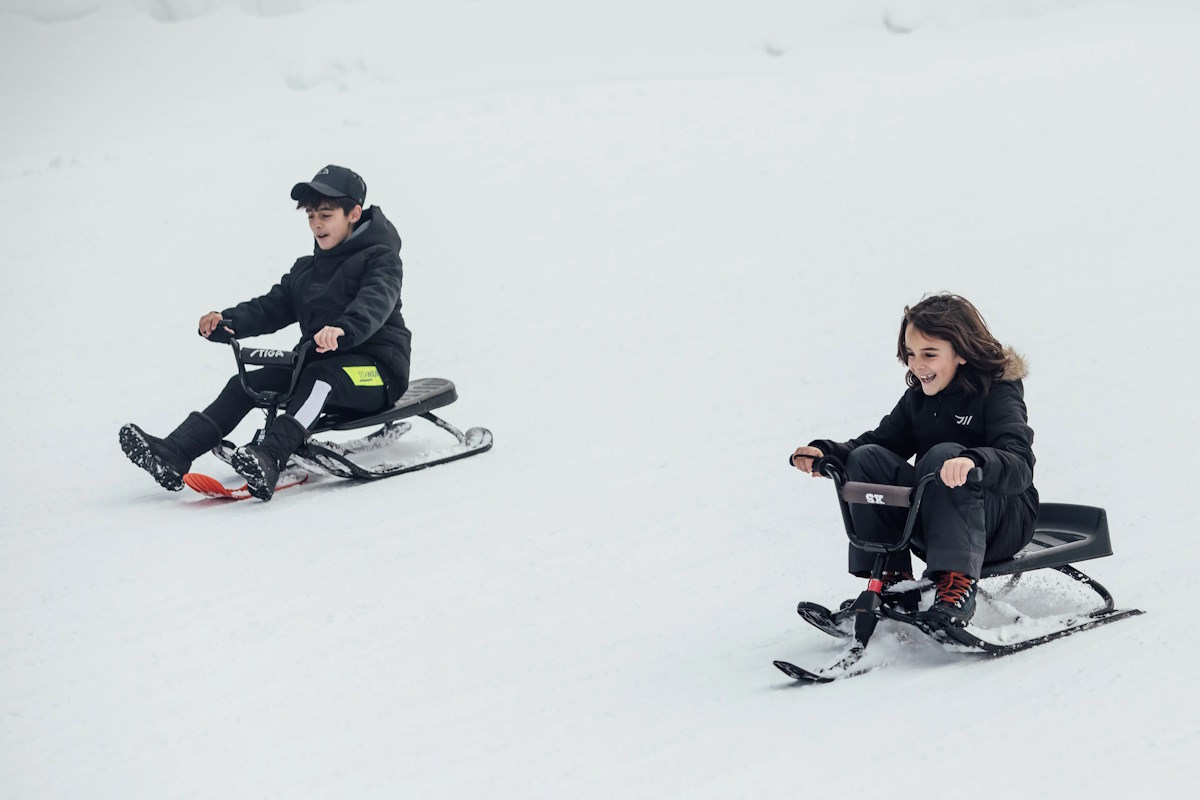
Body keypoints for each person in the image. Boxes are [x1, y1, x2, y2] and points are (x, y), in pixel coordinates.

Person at [120, 164, 411, 501]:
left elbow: (376, 301)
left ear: (354, 213)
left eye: (326, 215)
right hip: (319, 363)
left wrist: (343, 329)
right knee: (245, 384)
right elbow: (270, 307)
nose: (317, 224)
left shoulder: (381, 259)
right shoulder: (307, 269)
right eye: (311, 216)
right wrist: (226, 322)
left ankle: (270, 456)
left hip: (376, 374)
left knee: (321, 377)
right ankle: (173, 453)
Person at [790, 293, 1038, 626]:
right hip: (940, 522)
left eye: (930, 354)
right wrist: (827, 454)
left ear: (961, 353)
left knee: (944, 455)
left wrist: (973, 461)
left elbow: (1018, 461)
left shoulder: (998, 392)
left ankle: (957, 587)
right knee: (866, 460)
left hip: (1002, 522)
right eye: (910, 354)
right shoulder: (919, 399)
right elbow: (879, 443)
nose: (917, 365)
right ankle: (894, 583)